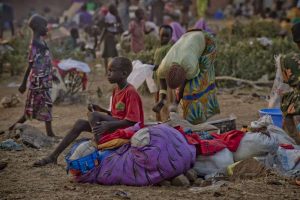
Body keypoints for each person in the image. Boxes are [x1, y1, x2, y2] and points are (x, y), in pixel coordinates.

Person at [33, 57, 144, 166]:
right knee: (80, 123)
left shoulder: (130, 92)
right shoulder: (116, 90)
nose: (108, 74)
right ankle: (53, 156)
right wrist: (101, 110)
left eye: (112, 71)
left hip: (127, 130)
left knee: (94, 116)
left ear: (124, 74)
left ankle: (100, 145)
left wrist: (108, 124)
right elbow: (116, 115)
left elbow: (132, 122)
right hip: (116, 126)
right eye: (108, 70)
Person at [153, 29, 220, 125]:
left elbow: (183, 85)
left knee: (194, 87)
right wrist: (162, 100)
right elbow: (162, 80)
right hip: (187, 37)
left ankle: (198, 118)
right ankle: (193, 117)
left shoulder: (190, 66)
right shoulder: (164, 66)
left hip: (206, 40)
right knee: (186, 91)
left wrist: (175, 103)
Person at [8, 14, 57, 137]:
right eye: (44, 26)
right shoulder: (35, 44)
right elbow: (30, 64)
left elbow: (46, 61)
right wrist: (23, 83)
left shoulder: (41, 41)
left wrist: (52, 74)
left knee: (32, 108)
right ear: (36, 27)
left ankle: (11, 128)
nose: (46, 29)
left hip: (44, 79)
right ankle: (50, 133)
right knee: (45, 104)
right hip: (38, 81)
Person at [280, 22, 300, 144]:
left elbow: (286, 82)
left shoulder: (286, 59)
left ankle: (295, 141)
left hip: (295, 105)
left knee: (287, 104)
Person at [153, 25, 173, 121]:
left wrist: (157, 66)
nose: (164, 38)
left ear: (171, 37)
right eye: (162, 35)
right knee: (158, 106)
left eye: (167, 36)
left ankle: (167, 126)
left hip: (167, 83)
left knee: (166, 106)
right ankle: (160, 125)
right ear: (159, 35)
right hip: (158, 82)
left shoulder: (169, 48)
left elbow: (167, 65)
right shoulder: (158, 48)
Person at [101, 4, 123, 75]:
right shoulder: (108, 16)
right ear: (111, 10)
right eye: (113, 9)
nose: (115, 10)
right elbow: (105, 26)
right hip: (109, 36)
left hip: (115, 36)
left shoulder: (116, 16)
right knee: (108, 55)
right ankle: (107, 71)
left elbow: (120, 25)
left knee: (114, 55)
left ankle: (112, 70)